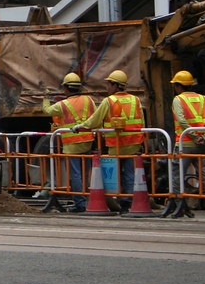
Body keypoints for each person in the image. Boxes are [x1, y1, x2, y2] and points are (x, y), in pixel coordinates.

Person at [72, 69, 146, 214]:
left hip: (117, 144)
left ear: (115, 85)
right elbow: (142, 121)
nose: (107, 87)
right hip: (133, 142)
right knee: (130, 174)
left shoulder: (109, 101)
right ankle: (126, 203)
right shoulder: (135, 99)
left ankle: (112, 200)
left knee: (112, 175)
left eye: (109, 84)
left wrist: (80, 126)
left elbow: (95, 119)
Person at [162, 70, 205, 217]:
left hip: (185, 143)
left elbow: (182, 121)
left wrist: (194, 136)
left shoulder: (178, 100)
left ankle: (178, 202)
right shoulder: (203, 99)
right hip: (202, 144)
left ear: (178, 86)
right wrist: (203, 137)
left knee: (177, 173)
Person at [43, 73, 96, 213]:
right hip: (88, 141)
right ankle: (88, 199)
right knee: (86, 173)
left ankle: (80, 203)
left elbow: (47, 110)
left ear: (66, 88)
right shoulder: (89, 100)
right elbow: (95, 117)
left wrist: (45, 98)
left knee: (76, 174)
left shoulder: (63, 104)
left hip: (72, 144)